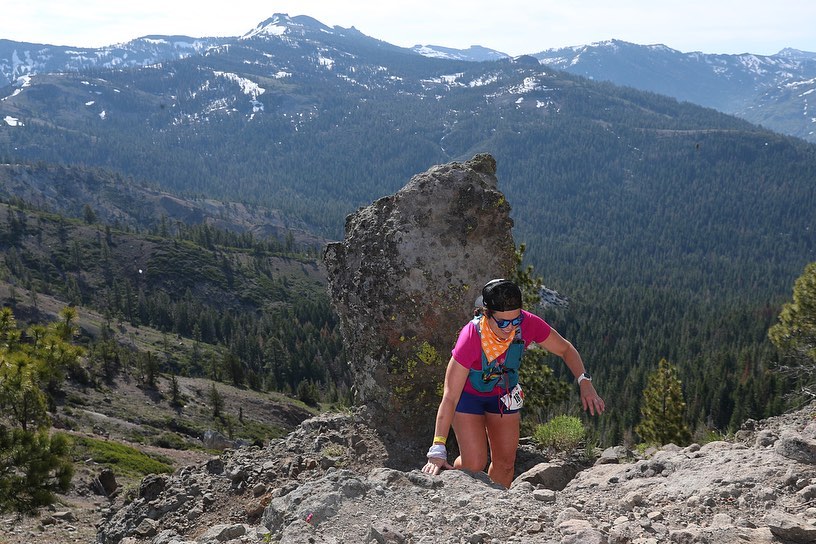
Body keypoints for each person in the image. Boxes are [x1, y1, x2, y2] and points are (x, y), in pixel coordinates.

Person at [421, 278, 605, 488]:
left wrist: (584, 381)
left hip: (504, 396)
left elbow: (565, 349)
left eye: (515, 320)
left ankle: (494, 503)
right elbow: (450, 396)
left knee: (506, 464)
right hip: (468, 398)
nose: (510, 328)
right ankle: (457, 482)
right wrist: (438, 447)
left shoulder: (528, 323)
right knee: (474, 462)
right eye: (503, 322)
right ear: (486, 313)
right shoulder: (471, 336)